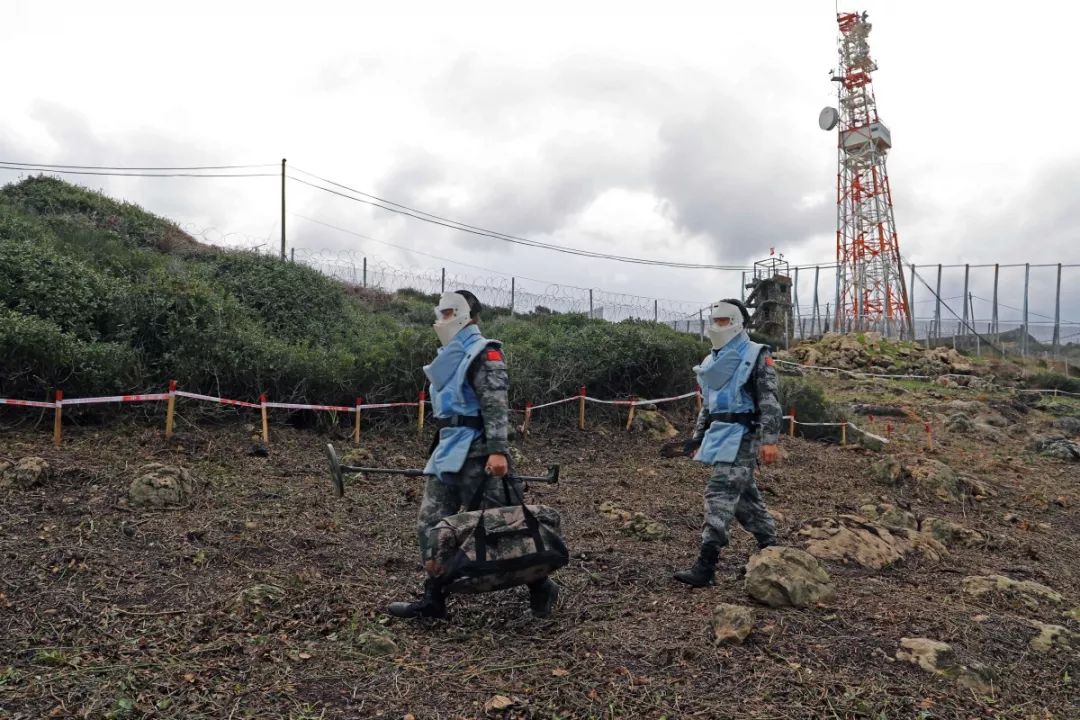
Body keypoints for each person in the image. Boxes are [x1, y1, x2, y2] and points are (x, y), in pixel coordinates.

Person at [388, 290, 560, 619]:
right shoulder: (451, 355)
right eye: (441, 313)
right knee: (430, 524)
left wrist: (498, 451)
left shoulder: (485, 353)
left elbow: (495, 404)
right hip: (448, 449)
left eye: (448, 313)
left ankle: (540, 585)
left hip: (480, 452)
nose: (442, 319)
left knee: (505, 525)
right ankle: (434, 598)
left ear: (466, 314)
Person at [674, 298, 781, 587]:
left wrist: (769, 439)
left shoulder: (756, 354)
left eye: (723, 320)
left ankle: (706, 565)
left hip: (745, 434)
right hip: (721, 433)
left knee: (720, 491)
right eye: (715, 320)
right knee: (745, 499)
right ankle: (772, 548)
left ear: (737, 322)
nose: (717, 326)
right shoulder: (711, 362)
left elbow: (769, 399)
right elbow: (708, 406)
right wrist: (697, 438)